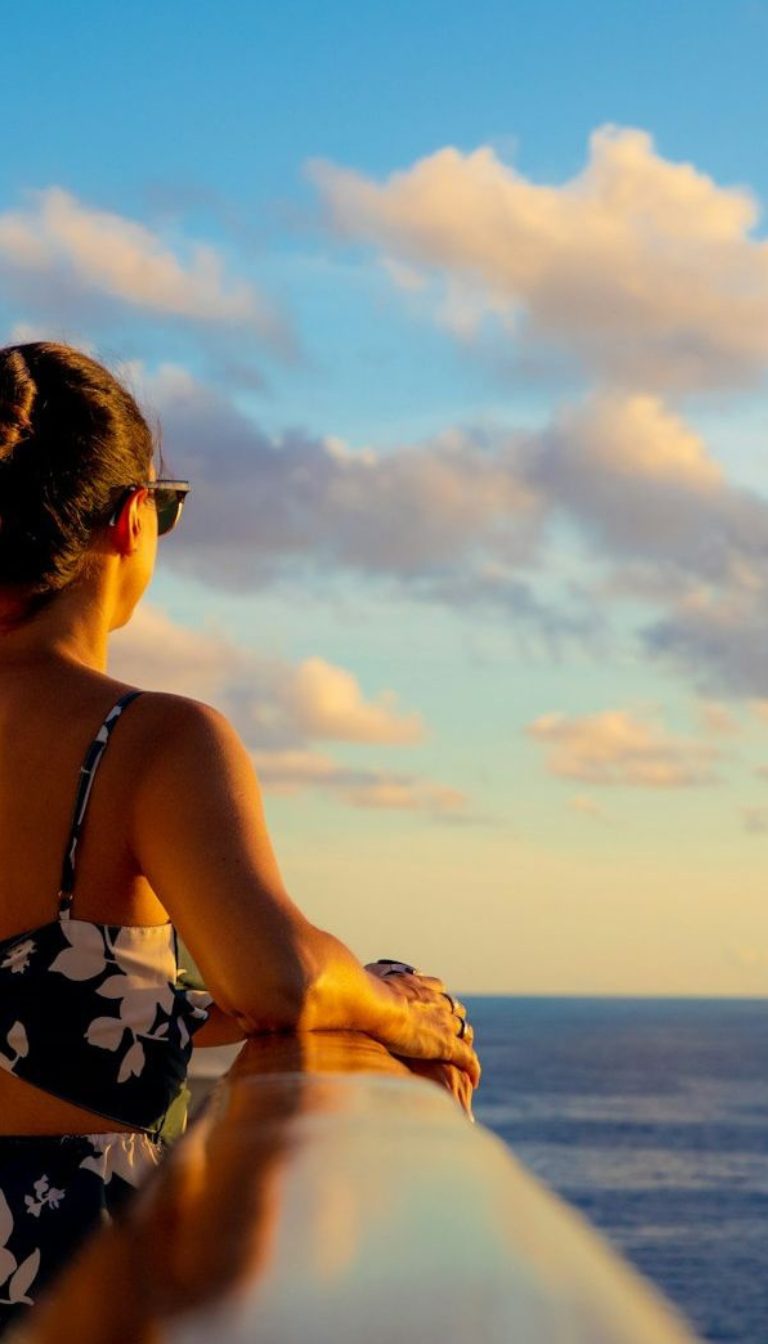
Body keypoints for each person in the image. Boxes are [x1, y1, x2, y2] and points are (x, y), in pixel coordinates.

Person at [0, 342, 480, 1332]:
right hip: (68, 1292)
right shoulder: (145, 740)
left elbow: (34, 1018)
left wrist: (191, 1019)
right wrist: (400, 1009)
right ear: (132, 521)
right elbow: (283, 979)